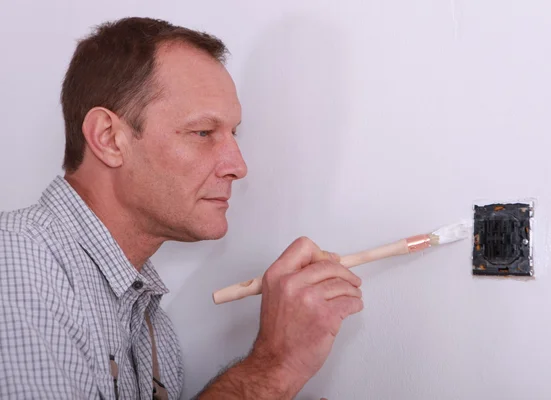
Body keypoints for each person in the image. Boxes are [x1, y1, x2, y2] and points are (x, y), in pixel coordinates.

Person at [0, 16, 363, 399]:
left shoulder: (154, 330)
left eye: (232, 134)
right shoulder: (16, 266)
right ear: (108, 138)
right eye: (203, 132)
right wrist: (275, 366)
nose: (237, 166)